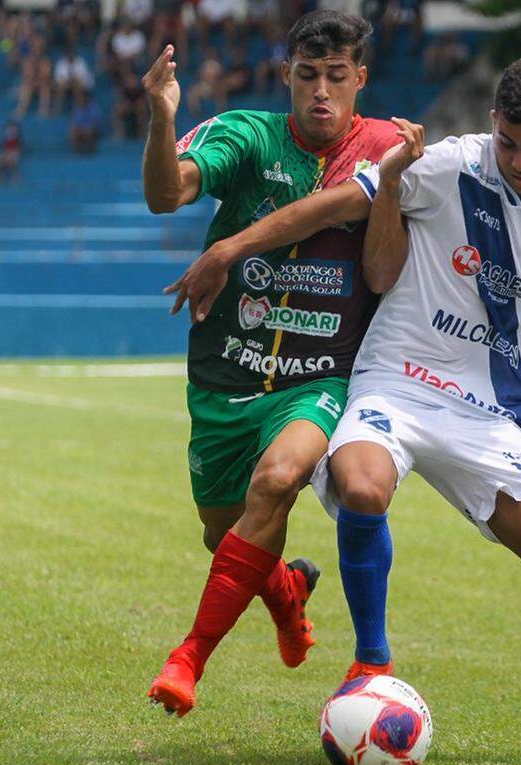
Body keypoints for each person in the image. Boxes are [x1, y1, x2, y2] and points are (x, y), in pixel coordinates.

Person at [170, 57, 521, 765]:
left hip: (485, 415)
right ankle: (370, 661)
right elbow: (329, 207)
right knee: (360, 484)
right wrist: (232, 246)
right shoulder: (443, 165)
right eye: (509, 142)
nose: (520, 160)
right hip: (394, 383)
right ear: (492, 127)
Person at [142, 11, 404, 718]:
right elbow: (167, 195)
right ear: (287, 74)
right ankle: (285, 591)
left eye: (337, 77)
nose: (321, 91)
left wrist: (230, 250)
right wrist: (163, 121)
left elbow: (359, 246)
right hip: (227, 368)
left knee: (281, 477)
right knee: (221, 536)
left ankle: (188, 658)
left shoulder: (386, 148)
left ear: (361, 80)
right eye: (308, 74)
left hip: (320, 374)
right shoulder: (247, 135)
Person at [14, 37, 52, 117]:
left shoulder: (46, 61)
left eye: (38, 49)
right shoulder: (27, 61)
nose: (36, 51)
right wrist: (33, 78)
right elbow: (26, 76)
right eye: (34, 49)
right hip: (30, 84)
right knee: (26, 87)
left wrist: (37, 78)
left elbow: (46, 76)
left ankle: (43, 111)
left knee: (45, 87)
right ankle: (21, 110)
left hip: (41, 84)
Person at [52, 46, 92, 113]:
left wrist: (72, 81)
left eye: (71, 54)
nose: (70, 56)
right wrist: (66, 82)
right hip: (66, 84)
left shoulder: (81, 62)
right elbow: (58, 78)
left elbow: (83, 77)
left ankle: (77, 109)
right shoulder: (61, 63)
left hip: (79, 84)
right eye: (68, 54)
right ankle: (57, 109)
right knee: (60, 87)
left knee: (77, 86)